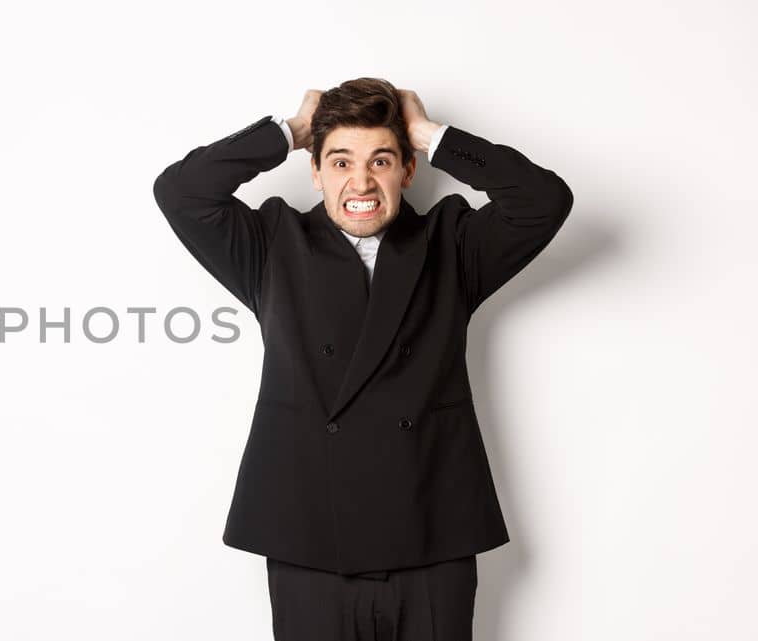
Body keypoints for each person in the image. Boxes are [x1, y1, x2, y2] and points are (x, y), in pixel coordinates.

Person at [151, 77, 573, 640]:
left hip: (431, 536)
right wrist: (288, 133)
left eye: (380, 160)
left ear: (407, 170)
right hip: (311, 540)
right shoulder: (271, 243)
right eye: (341, 161)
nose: (361, 182)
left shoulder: (452, 243)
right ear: (316, 171)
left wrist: (430, 134)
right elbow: (181, 192)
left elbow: (544, 201)